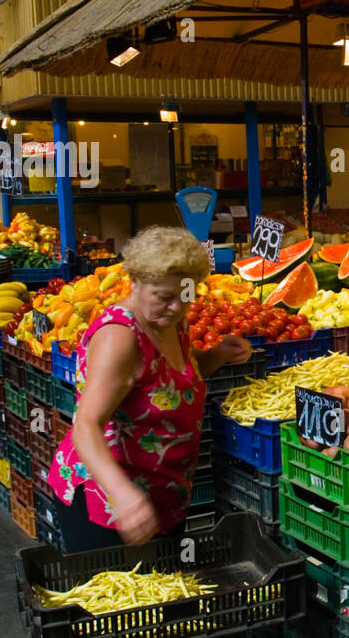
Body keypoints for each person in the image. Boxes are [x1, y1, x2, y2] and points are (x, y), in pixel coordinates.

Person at [47, 226, 252, 550]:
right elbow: (86, 425)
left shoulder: (172, 321)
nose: (177, 307)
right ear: (135, 283)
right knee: (117, 598)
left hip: (161, 493)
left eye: (186, 295)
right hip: (109, 500)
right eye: (164, 297)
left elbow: (171, 381)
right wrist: (124, 495)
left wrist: (217, 355)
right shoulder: (121, 338)